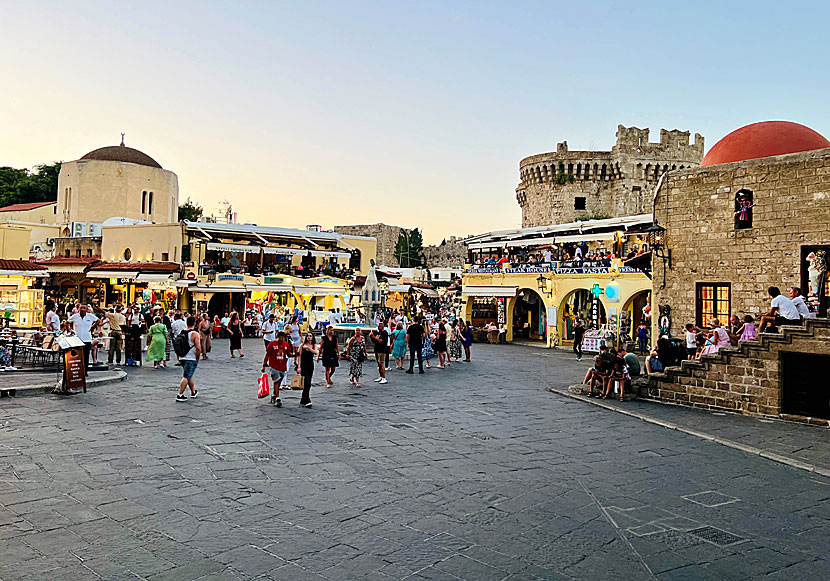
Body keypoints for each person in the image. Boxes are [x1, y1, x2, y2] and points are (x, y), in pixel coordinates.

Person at [262, 331, 292, 408]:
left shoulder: (286, 344)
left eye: (283, 338)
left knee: (278, 382)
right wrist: (264, 365)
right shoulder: (272, 344)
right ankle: (277, 398)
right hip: (274, 366)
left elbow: (288, 354)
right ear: (277, 337)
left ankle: (274, 395)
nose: (281, 339)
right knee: (276, 381)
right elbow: (267, 355)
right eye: (280, 337)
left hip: (282, 366)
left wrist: (295, 354)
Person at [176, 316, 201, 402]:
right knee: (186, 376)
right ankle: (180, 394)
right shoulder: (195, 334)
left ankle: (193, 392)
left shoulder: (182, 332)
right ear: (194, 323)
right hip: (191, 358)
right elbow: (198, 347)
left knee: (189, 375)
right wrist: (197, 357)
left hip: (183, 357)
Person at [68, 304, 99, 369]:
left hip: (87, 339)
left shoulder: (90, 316)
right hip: (77, 340)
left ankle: (85, 371)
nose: (82, 309)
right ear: (79, 309)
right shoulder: (75, 316)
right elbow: (67, 322)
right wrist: (71, 330)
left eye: (84, 308)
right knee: (76, 356)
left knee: (85, 356)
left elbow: (97, 320)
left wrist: (92, 327)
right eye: (81, 308)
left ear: (86, 309)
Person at [299, 332, 316, 408]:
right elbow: (299, 356)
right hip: (303, 365)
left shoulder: (314, 345)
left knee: (309, 382)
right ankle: (307, 400)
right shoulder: (302, 345)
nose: (309, 337)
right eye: (308, 336)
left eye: (310, 336)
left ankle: (303, 398)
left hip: (310, 365)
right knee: (307, 382)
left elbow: (316, 352)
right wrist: (299, 366)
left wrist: (309, 348)